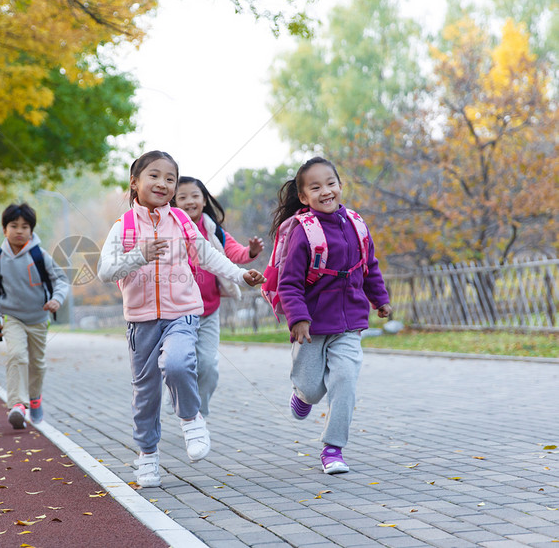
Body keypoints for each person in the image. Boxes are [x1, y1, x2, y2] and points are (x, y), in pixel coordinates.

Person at [98, 150, 265, 488]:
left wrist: (239, 275)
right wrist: (139, 256)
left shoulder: (180, 221)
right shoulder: (124, 227)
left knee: (177, 364)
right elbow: (104, 271)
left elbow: (207, 256)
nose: (163, 183)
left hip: (182, 313)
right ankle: (147, 456)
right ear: (135, 182)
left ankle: (191, 420)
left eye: (170, 179)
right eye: (154, 176)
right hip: (141, 320)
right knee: (146, 394)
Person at [272, 156, 392, 475]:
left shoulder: (356, 224)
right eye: (316, 187)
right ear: (303, 197)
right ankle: (302, 395)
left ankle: (333, 448)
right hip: (312, 326)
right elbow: (290, 282)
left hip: (350, 322)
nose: (325, 191)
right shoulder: (303, 232)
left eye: (331, 183)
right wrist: (298, 318)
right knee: (312, 388)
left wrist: (380, 299)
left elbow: (370, 267)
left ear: (340, 185)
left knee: (345, 380)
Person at [174, 176, 264, 418]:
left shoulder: (214, 232)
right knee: (180, 365)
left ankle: (198, 415)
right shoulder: (169, 229)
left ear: (204, 200)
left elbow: (234, 253)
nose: (189, 201)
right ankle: (180, 397)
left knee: (208, 366)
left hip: (208, 311)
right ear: (173, 202)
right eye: (181, 197)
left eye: (194, 196)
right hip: (178, 313)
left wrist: (251, 252)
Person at [0, 203, 69, 430]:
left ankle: (35, 399)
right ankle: (17, 405)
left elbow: (61, 280)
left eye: (25, 227)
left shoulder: (40, 255)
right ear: (4, 230)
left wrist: (57, 299)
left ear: (32, 230)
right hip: (11, 317)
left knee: (37, 364)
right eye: (14, 226)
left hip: (39, 318)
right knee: (16, 355)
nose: (19, 231)